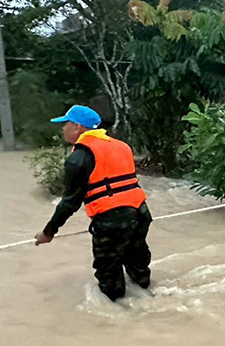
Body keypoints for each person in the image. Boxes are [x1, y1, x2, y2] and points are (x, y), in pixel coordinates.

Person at [34, 106, 152, 301]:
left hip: (113, 220)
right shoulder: (122, 146)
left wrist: (48, 232)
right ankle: (147, 296)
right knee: (138, 261)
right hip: (141, 213)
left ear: (78, 126)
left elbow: (70, 203)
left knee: (109, 274)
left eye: (65, 124)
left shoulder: (78, 158)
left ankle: (121, 318)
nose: (62, 128)